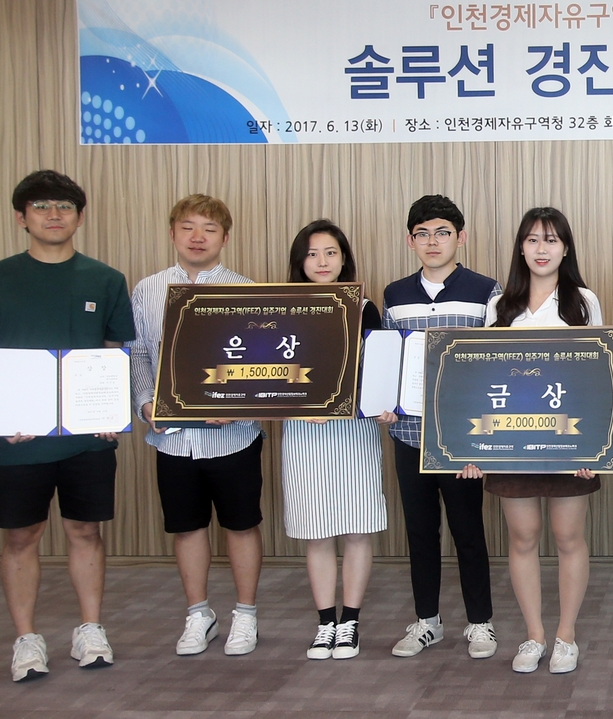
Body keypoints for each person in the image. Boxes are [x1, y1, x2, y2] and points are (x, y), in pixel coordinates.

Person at [0, 170, 135, 683]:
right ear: (21, 218)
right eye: (40, 206)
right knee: (22, 536)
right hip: (18, 438)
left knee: (86, 530)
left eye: (64, 206)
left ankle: (91, 629)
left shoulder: (105, 279)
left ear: (80, 217)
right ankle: (26, 639)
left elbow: (115, 352)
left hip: (88, 437)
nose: (53, 215)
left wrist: (110, 411)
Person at [461, 207, 603, 675]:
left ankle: (566, 636)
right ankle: (534, 635)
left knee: (568, 537)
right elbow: (482, 379)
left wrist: (594, 448)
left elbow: (598, 377)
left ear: (566, 248)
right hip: (512, 443)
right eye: (533, 240)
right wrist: (475, 449)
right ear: (521, 248)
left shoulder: (583, 302)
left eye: (552, 240)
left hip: (568, 443)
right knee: (522, 537)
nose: (542, 249)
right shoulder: (500, 305)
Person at [128, 195, 266, 658]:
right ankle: (198, 614)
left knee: (241, 525)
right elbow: (139, 354)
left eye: (209, 228)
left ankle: (245, 615)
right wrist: (145, 403)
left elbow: (260, 362)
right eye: (188, 227)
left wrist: (241, 406)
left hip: (234, 436)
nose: (197, 237)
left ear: (225, 237)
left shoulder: (245, 289)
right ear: (172, 233)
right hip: (173, 439)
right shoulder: (148, 289)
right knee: (187, 527)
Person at [382, 194, 501, 661]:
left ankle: (481, 622)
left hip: (462, 439)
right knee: (420, 531)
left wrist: (483, 439)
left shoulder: (486, 291)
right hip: (409, 434)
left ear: (461, 237)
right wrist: (385, 404)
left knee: (468, 530)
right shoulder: (395, 295)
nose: (433, 242)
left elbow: (494, 363)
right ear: (410, 241)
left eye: (443, 233)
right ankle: (426, 621)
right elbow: (388, 360)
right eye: (423, 234)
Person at [279, 219, 389, 661]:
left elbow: (377, 368)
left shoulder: (364, 307)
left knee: (357, 528)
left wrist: (382, 402)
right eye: (311, 254)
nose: (321, 262)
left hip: (353, 431)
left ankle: (351, 623)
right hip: (304, 432)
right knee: (316, 529)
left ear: (344, 259)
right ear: (299, 262)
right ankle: (326, 623)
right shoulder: (281, 307)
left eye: (330, 253)